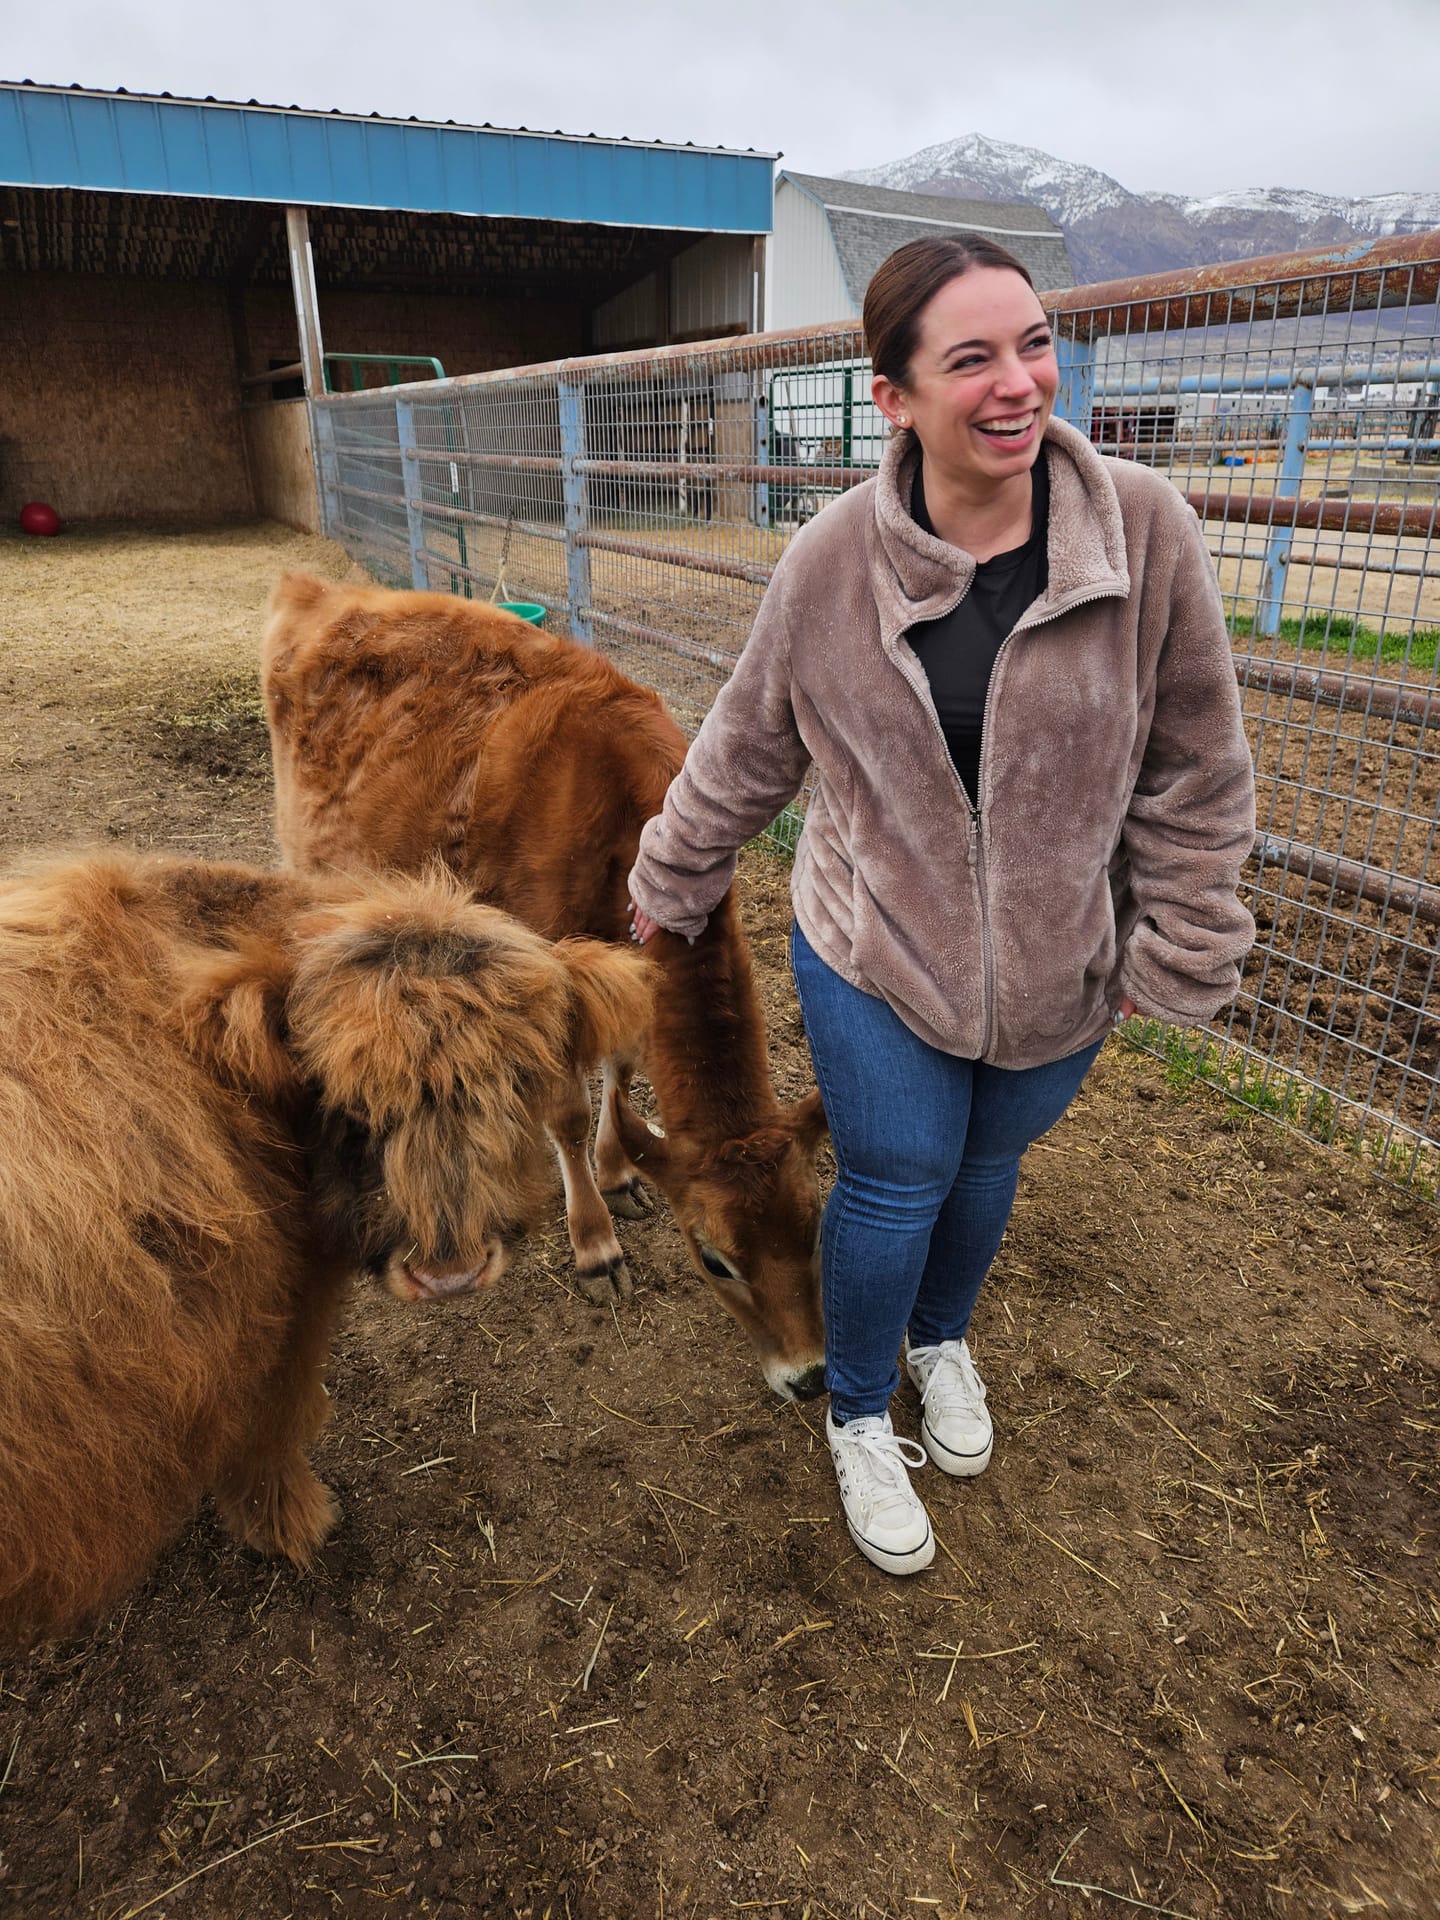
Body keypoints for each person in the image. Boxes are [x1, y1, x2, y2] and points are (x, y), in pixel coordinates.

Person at [628, 235, 1256, 1576]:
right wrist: (674, 876)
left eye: (1033, 344)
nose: (1018, 382)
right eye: (970, 358)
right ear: (894, 397)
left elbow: (1198, 759)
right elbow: (747, 745)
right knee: (899, 1176)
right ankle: (860, 1410)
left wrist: (1184, 930)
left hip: (1058, 962)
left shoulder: (1146, 531)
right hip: (874, 948)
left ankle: (941, 1340)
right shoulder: (828, 564)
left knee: (986, 1166)